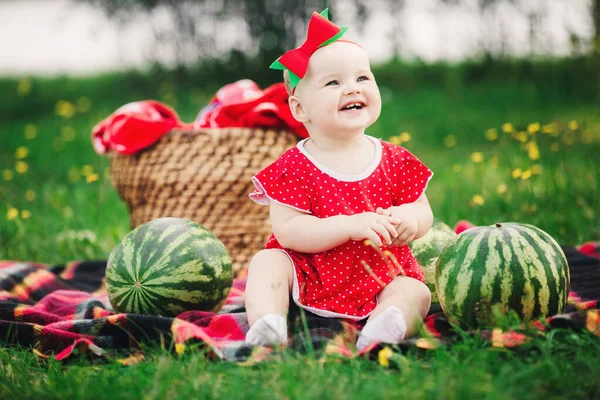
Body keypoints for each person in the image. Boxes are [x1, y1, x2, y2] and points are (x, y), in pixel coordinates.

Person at [244, 9, 434, 351]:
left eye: (363, 78)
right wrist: (349, 225)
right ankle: (268, 322)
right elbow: (289, 231)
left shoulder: (394, 158)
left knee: (416, 291)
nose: (352, 89)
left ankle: (384, 326)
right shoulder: (294, 166)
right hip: (309, 274)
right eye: (334, 82)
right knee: (266, 262)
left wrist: (410, 220)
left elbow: (421, 209)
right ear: (301, 109)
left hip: (380, 274)